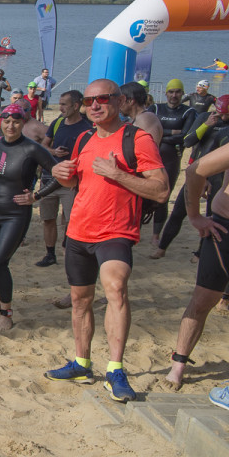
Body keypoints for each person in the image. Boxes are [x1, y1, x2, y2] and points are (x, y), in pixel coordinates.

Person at [44, 79, 169, 402]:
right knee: (80, 300)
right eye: (88, 101)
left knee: (115, 289)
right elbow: (77, 183)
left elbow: (160, 189)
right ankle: (82, 362)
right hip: (78, 232)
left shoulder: (136, 139)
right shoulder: (84, 137)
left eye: (102, 99)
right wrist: (63, 176)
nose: (94, 106)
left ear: (120, 100)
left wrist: (118, 175)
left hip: (115, 232)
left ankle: (115, 369)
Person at [0, 104, 60, 329]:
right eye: (7, 121)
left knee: (1, 261)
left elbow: (58, 174)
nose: (11, 126)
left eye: (16, 122)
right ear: (1, 122)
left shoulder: (32, 149)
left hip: (16, 212)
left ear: (23, 123)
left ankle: (7, 314)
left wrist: (37, 195)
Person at [164, 139, 229, 388]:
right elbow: (195, 170)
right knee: (202, 301)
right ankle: (178, 365)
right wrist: (194, 215)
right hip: (224, 231)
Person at [37, 90, 92, 267]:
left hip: (72, 183)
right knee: (48, 218)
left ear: (76, 106)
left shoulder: (87, 128)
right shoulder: (58, 122)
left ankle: (67, 249)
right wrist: (54, 152)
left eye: (64, 104)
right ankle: (50, 254)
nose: (60, 108)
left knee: (71, 220)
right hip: (49, 178)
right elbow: (44, 145)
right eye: (59, 104)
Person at [153, 78, 199, 245]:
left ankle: (155, 235)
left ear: (182, 93)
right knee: (142, 196)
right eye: (171, 92)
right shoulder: (156, 108)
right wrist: (172, 132)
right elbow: (144, 131)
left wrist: (159, 134)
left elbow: (184, 137)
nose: (174, 95)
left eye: (178, 92)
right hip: (152, 157)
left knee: (163, 196)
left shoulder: (188, 112)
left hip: (172, 159)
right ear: (166, 93)